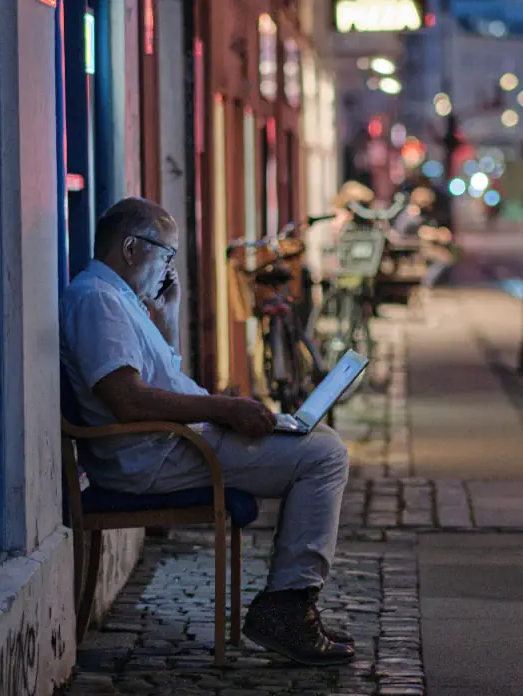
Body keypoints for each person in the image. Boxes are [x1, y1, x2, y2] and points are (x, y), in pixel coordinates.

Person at [59, 198, 355, 666]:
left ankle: (290, 601)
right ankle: (288, 607)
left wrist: (169, 319)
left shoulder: (117, 299)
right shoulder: (97, 301)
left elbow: (157, 380)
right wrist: (223, 408)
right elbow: (127, 399)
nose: (169, 269)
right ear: (132, 248)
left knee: (315, 445)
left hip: (171, 444)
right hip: (155, 456)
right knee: (323, 455)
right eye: (166, 254)